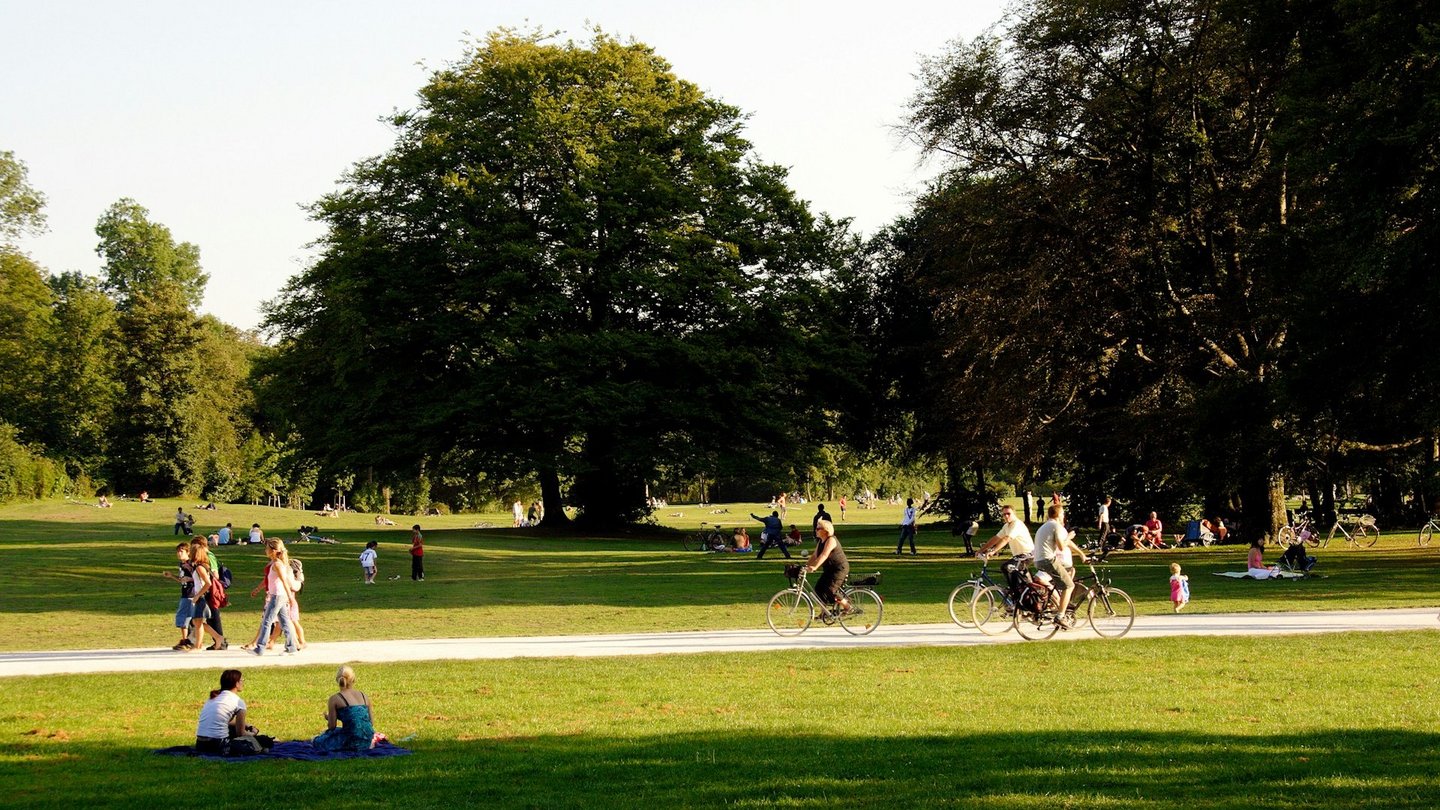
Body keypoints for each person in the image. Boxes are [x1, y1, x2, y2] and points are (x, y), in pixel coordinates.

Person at [1034, 503, 1087, 625]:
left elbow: (1066, 542)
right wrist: (1069, 536)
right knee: (1069, 586)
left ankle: (1054, 602)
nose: (1064, 516)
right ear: (1059, 514)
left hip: (1039, 560)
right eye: (1063, 513)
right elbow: (1062, 546)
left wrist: (1081, 553)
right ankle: (1060, 616)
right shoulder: (1057, 526)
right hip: (1048, 560)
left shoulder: (1045, 526)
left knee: (1066, 575)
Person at [247, 539, 298, 655]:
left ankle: (260, 648)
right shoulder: (274, 564)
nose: (265, 550)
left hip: (278, 597)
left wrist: (290, 597)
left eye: (267, 548)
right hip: (278, 595)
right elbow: (268, 581)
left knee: (267, 621)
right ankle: (291, 648)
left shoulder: (277, 565)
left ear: (274, 551)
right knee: (284, 622)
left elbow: (284, 581)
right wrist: (257, 589)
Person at [195, 669, 263, 755]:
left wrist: (248, 725)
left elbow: (224, 720)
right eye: (242, 680)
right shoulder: (238, 702)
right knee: (256, 742)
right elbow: (241, 733)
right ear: (236, 683)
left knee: (232, 729)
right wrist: (253, 733)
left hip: (201, 744)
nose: (243, 683)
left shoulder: (213, 697)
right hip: (218, 744)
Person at [312, 665, 377, 752]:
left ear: (337, 680)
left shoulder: (335, 698)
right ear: (353, 679)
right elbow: (370, 722)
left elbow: (332, 727)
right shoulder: (364, 696)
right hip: (367, 739)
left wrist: (329, 718)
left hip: (351, 740)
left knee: (316, 740)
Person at [187, 538, 229, 652]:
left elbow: (208, 583)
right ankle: (218, 638)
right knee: (196, 621)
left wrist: (197, 596)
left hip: (201, 596)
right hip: (200, 595)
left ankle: (199, 645)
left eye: (191, 551)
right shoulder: (199, 567)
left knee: (198, 621)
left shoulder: (200, 567)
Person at [805, 519, 851, 614]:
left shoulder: (831, 540)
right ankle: (824, 613)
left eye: (818, 528)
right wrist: (805, 566)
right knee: (819, 589)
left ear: (825, 530)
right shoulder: (821, 541)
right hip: (829, 569)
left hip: (839, 569)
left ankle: (848, 607)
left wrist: (815, 567)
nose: (815, 530)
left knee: (831, 590)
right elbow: (814, 556)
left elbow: (824, 555)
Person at [162, 542, 197, 650]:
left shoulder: (191, 564)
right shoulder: (181, 565)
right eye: (178, 551)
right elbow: (182, 580)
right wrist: (172, 576)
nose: (179, 553)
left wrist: (190, 578)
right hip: (185, 592)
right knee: (186, 618)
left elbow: (199, 578)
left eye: (181, 551)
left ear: (188, 552)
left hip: (191, 593)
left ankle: (187, 640)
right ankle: (187, 640)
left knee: (184, 618)